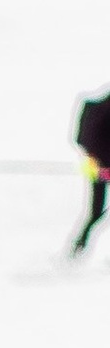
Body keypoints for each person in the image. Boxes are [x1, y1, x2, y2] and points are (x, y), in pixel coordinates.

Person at [72, 86, 110, 256]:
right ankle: (79, 245)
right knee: (96, 211)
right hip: (100, 167)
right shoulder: (102, 111)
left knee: (95, 212)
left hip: (94, 166)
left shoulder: (97, 108)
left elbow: (80, 140)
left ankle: (79, 245)